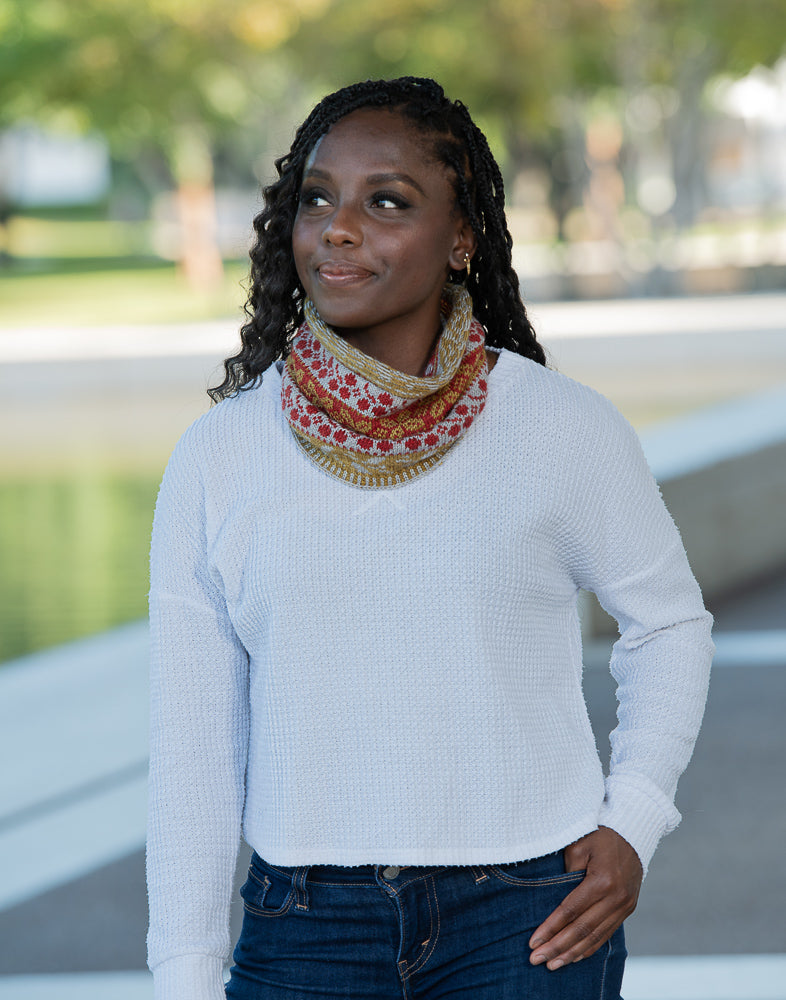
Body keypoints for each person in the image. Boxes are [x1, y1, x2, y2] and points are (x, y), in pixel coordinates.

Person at [147, 77, 713, 1000]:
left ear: (461, 239)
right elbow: (194, 747)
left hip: (528, 919)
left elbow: (669, 626)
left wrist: (634, 823)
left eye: (388, 202)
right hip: (303, 932)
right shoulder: (220, 455)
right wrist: (182, 973)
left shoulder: (560, 428)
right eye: (318, 197)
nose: (337, 227)